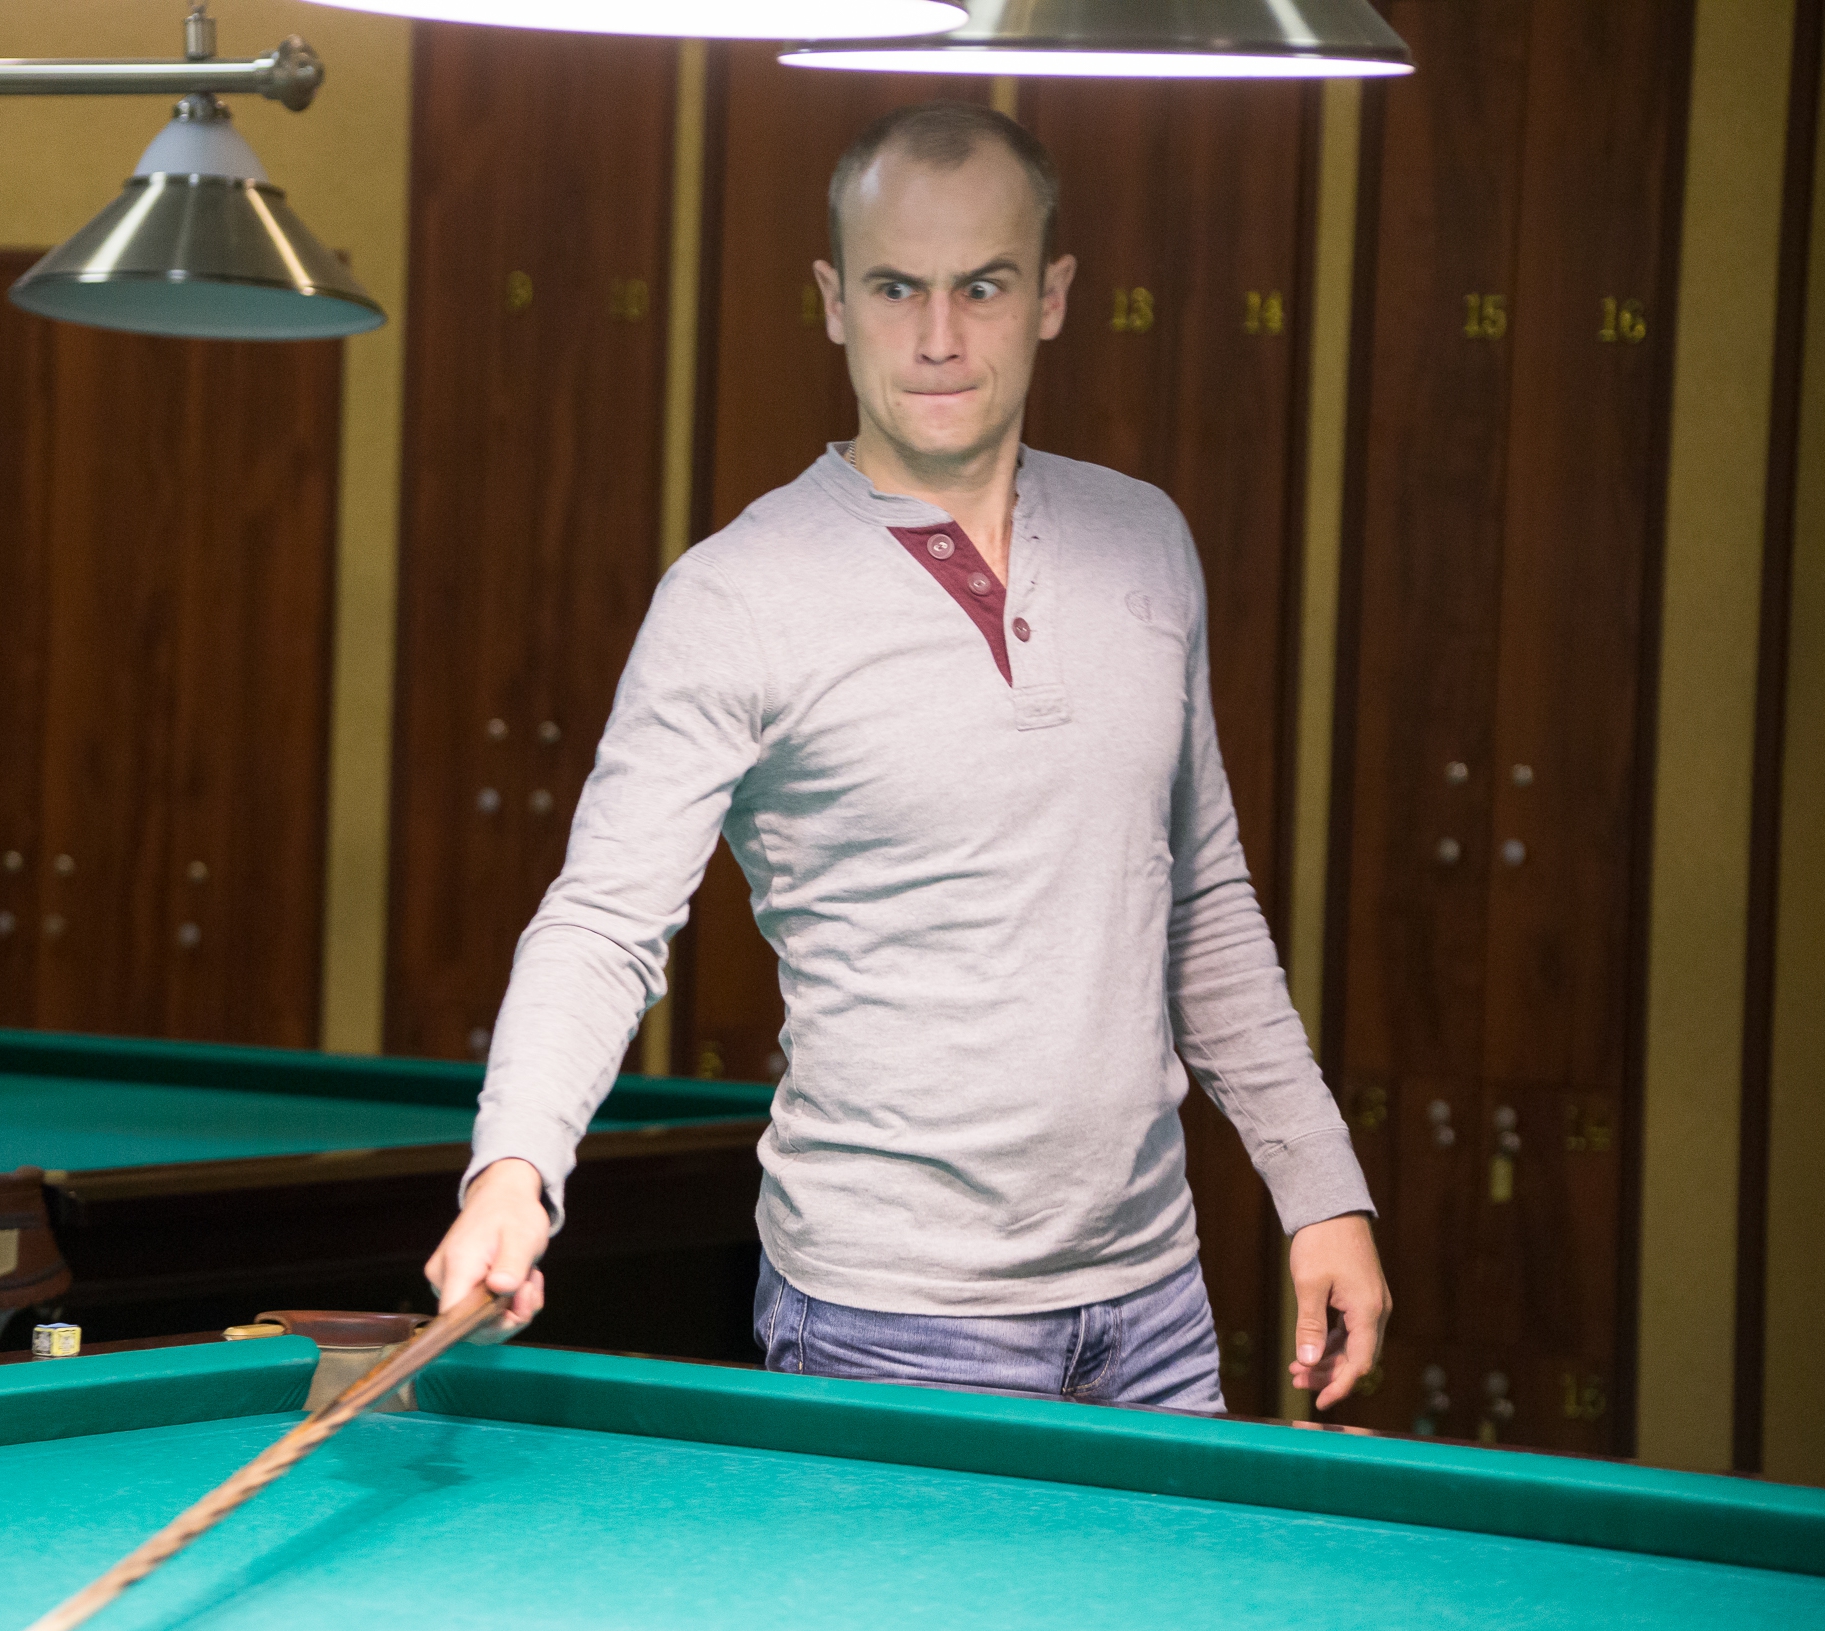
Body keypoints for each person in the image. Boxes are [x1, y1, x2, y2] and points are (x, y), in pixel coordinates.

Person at [425, 102, 1390, 1413]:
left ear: (1051, 296)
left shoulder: (1146, 540)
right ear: (834, 301)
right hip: (889, 1322)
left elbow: (1202, 901)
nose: (939, 338)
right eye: (896, 289)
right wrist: (513, 1170)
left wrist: (1320, 1189)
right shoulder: (735, 595)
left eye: (981, 287)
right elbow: (604, 919)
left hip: (1157, 1306)